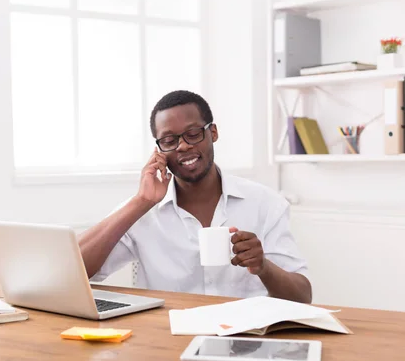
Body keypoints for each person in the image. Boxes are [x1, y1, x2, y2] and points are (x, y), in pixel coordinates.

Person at [78, 90, 312, 303]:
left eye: (192, 134)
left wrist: (263, 267)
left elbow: (302, 297)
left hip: (247, 340)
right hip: (167, 338)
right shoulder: (144, 211)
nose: (182, 146)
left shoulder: (265, 204)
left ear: (213, 133)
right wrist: (141, 202)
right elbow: (74, 270)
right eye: (169, 141)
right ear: (158, 149)